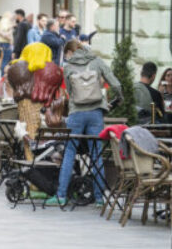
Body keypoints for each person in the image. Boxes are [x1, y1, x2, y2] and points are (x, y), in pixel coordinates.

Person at [46, 39, 122, 207]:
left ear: (71, 52)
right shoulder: (97, 61)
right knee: (96, 154)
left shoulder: (67, 67)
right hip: (96, 113)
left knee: (69, 153)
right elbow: (115, 83)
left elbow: (71, 92)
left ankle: (61, 196)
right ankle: (100, 199)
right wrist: (120, 98)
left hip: (76, 113)